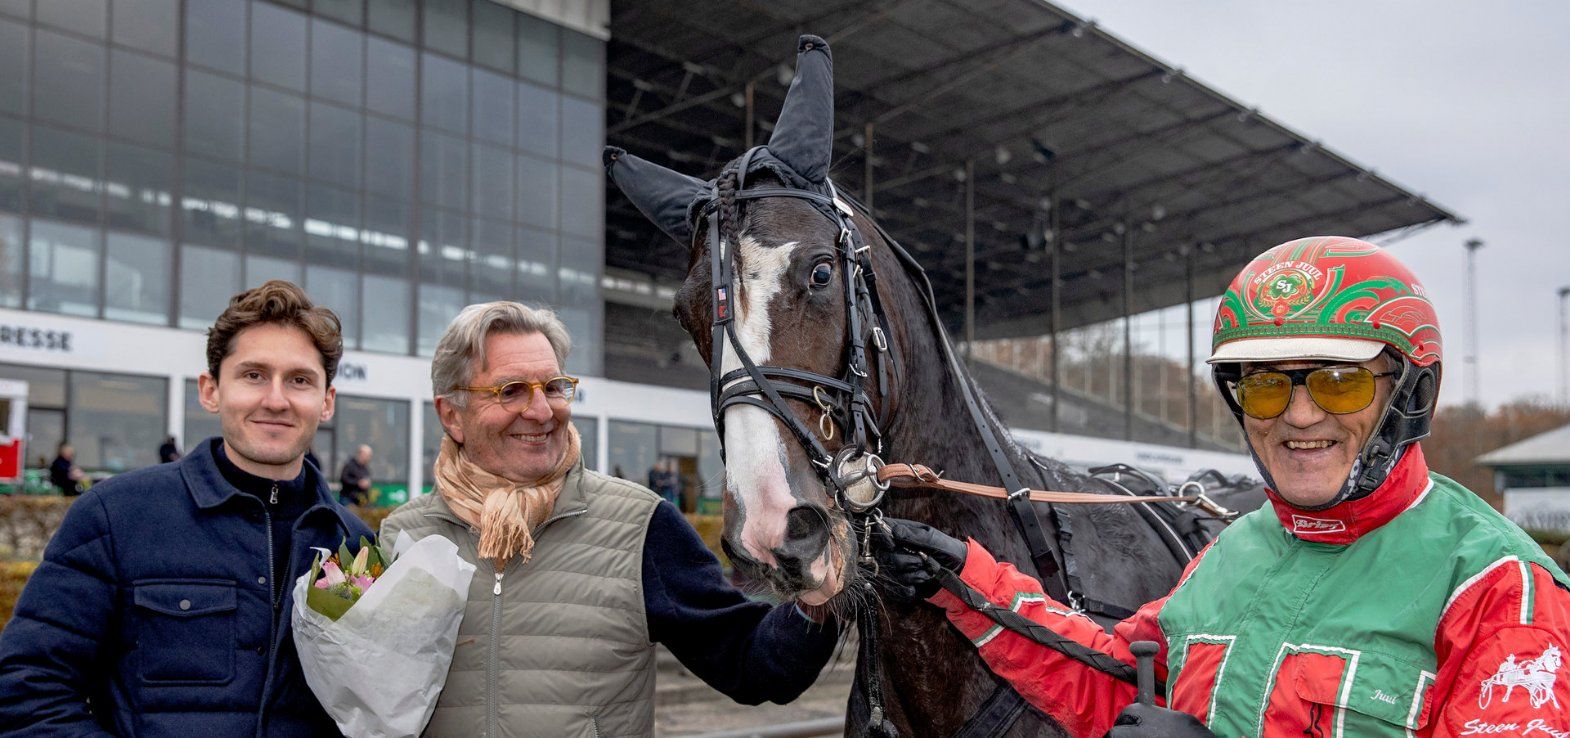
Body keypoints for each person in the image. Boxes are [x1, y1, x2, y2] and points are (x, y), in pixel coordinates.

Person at [877, 237, 1570, 737]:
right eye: (1265, 385)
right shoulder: (1234, 551)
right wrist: (962, 579)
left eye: (1339, 380)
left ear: (1413, 393)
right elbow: (1112, 680)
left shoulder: (1501, 591)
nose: (1299, 416)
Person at [380, 302, 837, 736]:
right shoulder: (402, 537)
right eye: (511, 390)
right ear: (452, 415)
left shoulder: (642, 526)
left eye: (554, 387)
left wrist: (818, 594)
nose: (542, 411)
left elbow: (751, 664)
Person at [0, 280, 373, 735]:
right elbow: (27, 689)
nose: (276, 399)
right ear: (210, 390)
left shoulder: (353, 547)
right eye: (253, 375)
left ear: (327, 401)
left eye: (299, 380)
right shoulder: (117, 516)